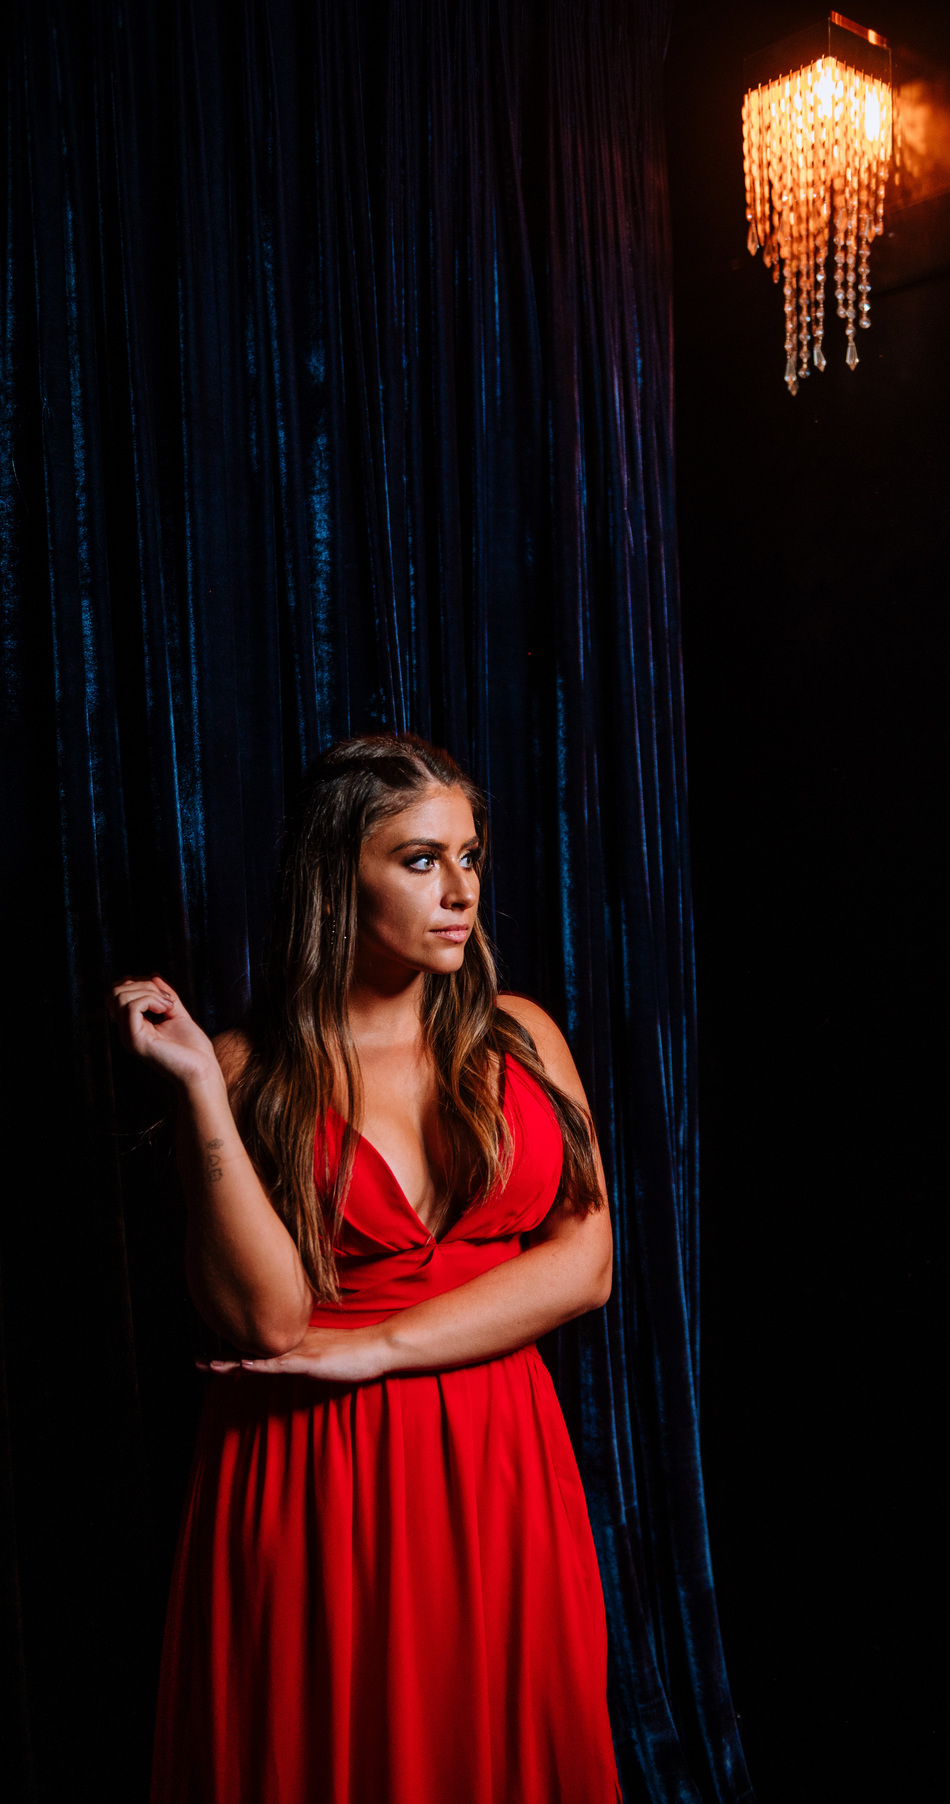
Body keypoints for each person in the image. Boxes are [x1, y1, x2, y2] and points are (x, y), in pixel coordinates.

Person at [109, 733, 621, 1804]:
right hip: (318, 1468)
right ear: (338, 876)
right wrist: (200, 1087)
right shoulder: (252, 1070)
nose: (460, 891)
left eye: (469, 857)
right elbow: (266, 1321)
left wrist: (377, 1348)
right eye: (421, 860)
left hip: (500, 1455)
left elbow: (585, 1266)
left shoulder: (521, 1038)